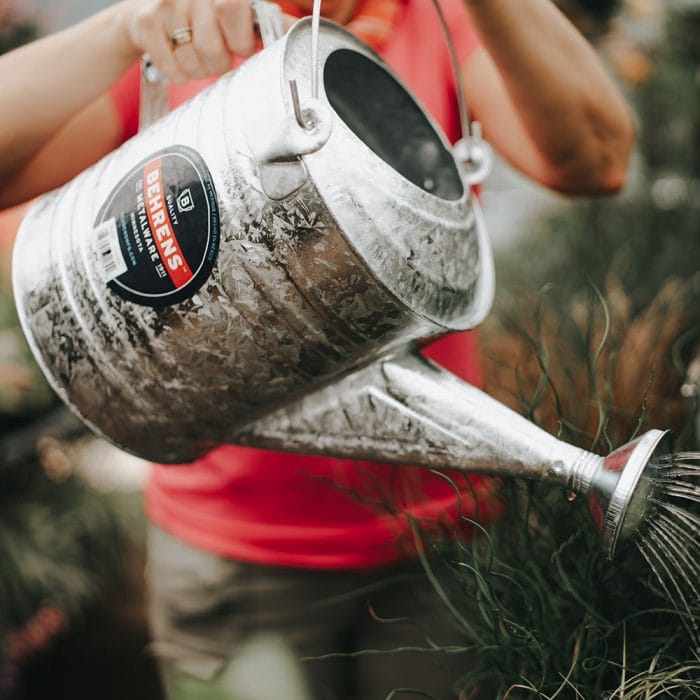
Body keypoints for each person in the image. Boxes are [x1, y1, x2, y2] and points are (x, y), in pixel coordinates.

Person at [0, 1, 635, 698]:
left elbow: (595, 160)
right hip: (235, 557)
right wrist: (124, 30)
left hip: (438, 543)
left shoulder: (442, 20)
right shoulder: (184, 24)